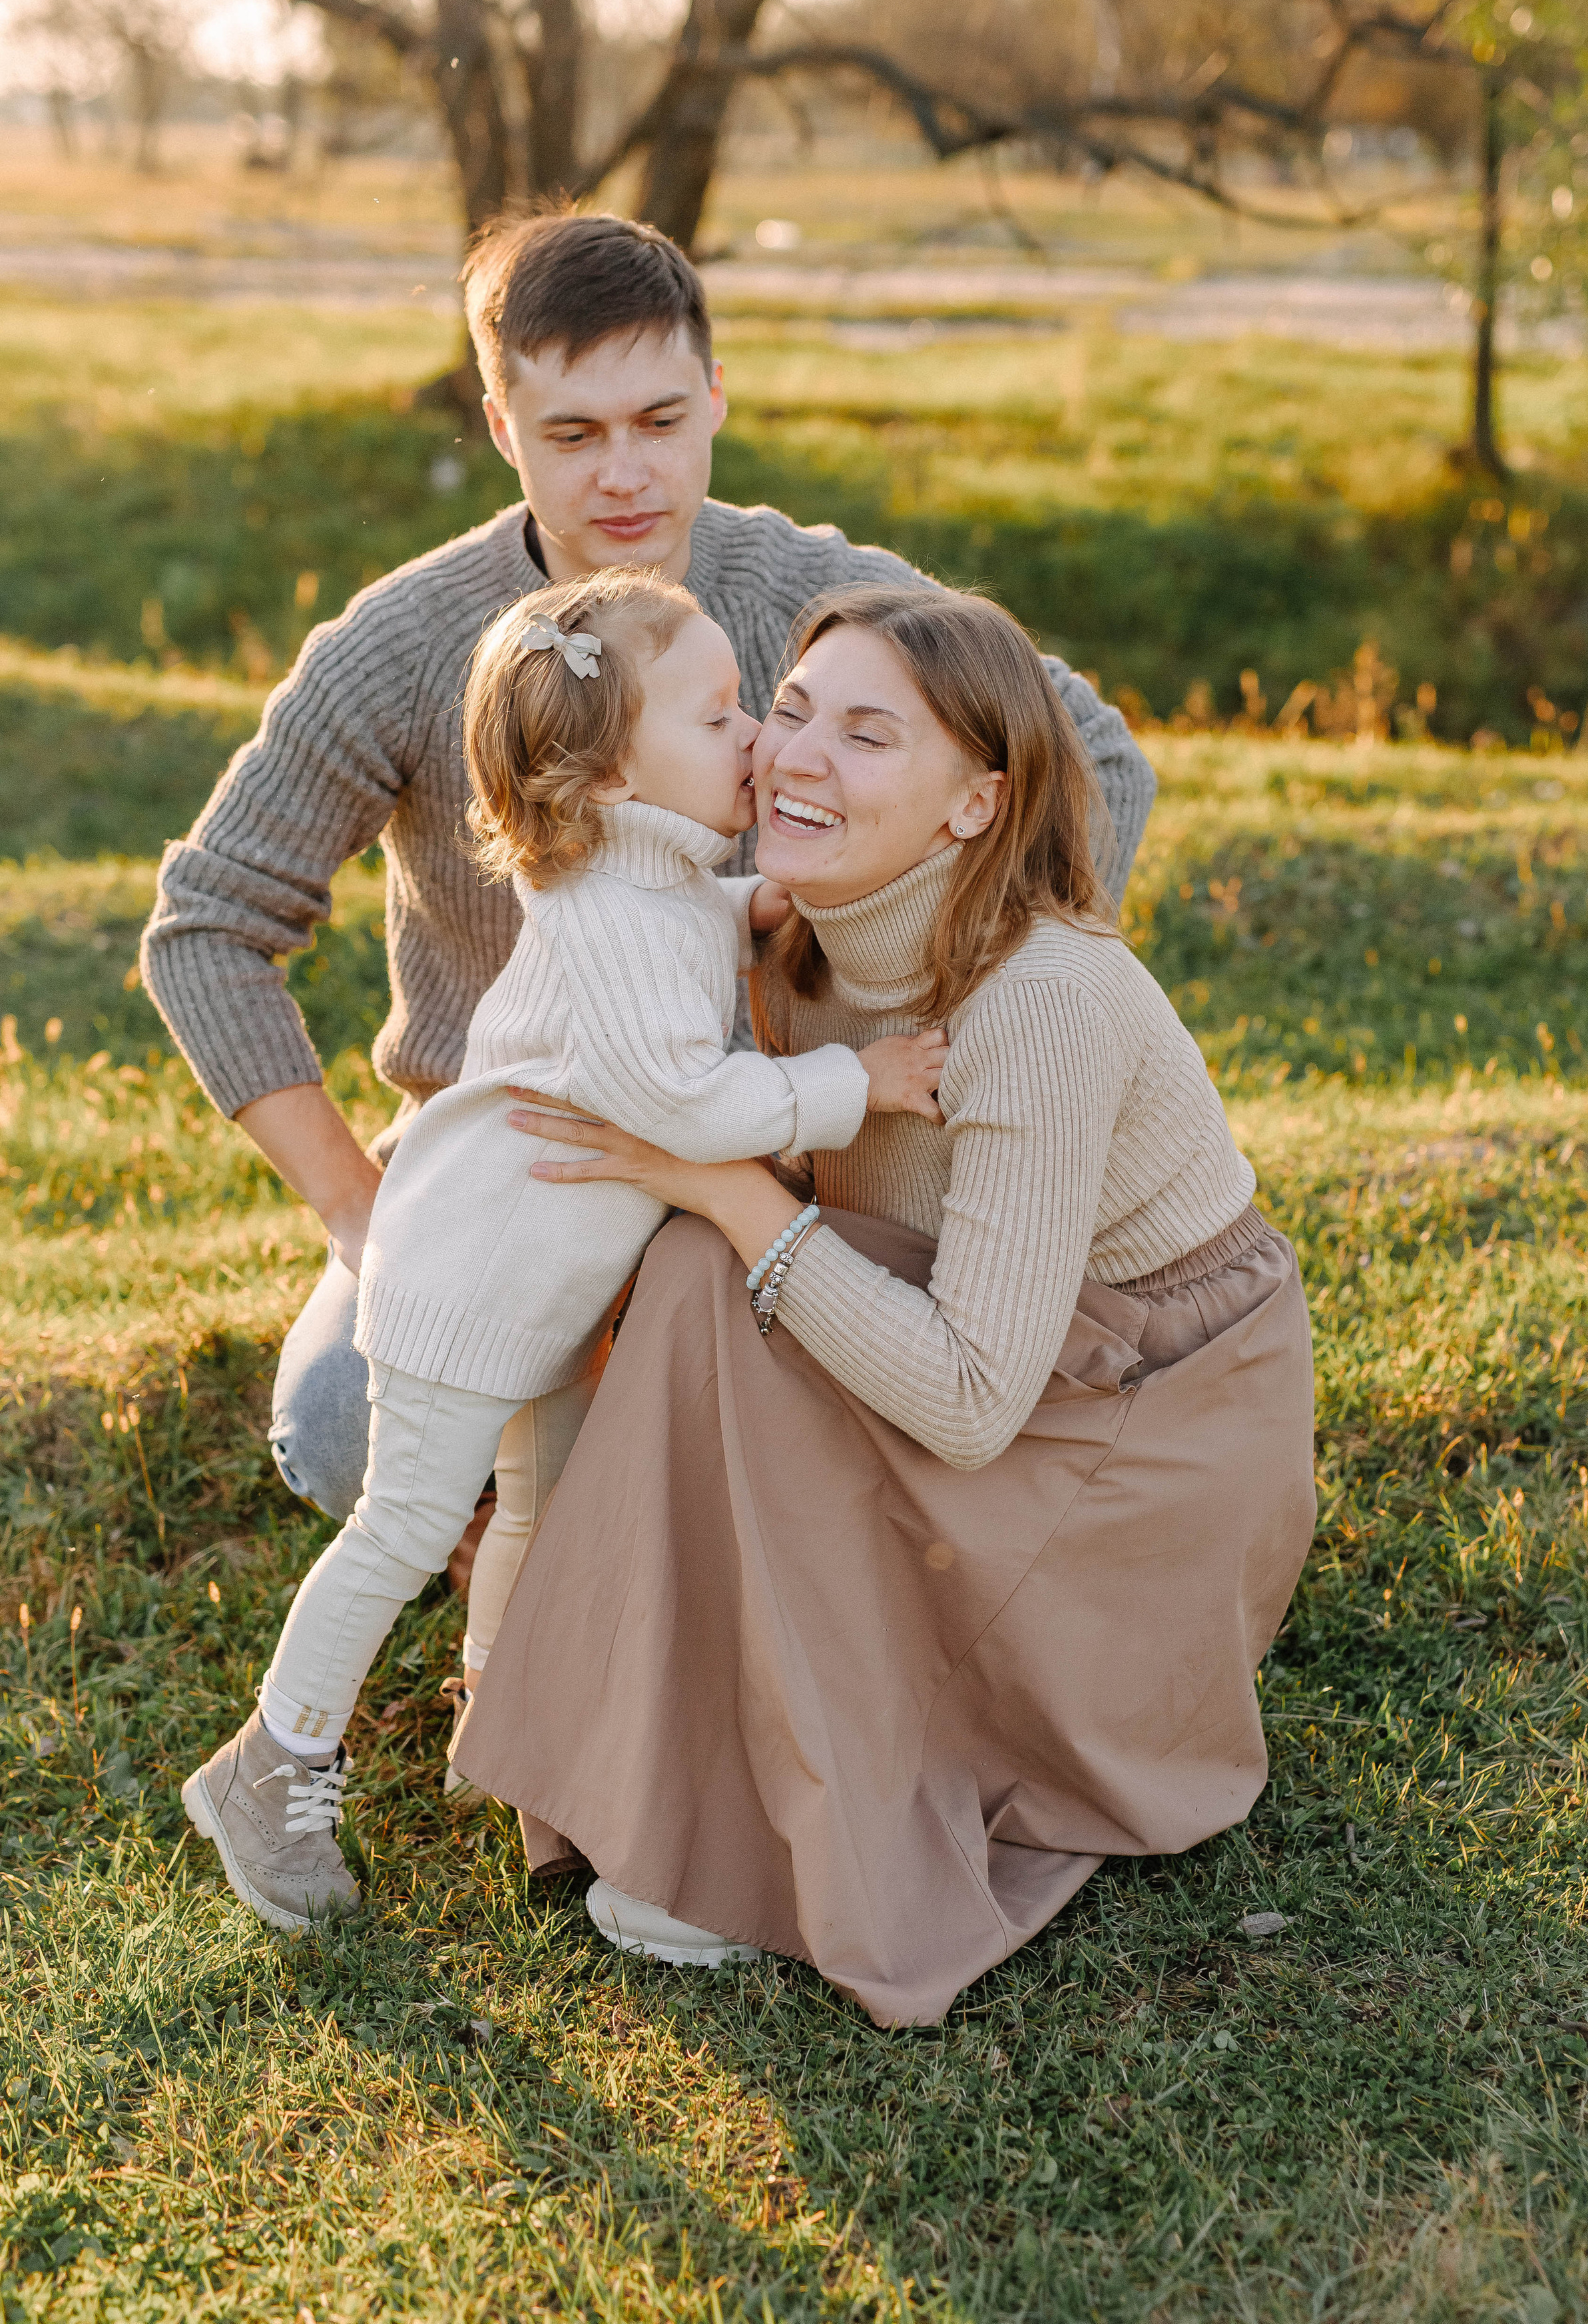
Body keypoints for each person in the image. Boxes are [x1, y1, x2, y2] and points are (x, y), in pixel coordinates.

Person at [140, 208, 1157, 1538]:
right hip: (520, 1157)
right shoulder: (396, 646)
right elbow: (206, 924)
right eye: (572, 434)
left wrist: (969, 1004)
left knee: (841, 1423)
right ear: (501, 425)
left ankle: (637, 1541)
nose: (625, 473)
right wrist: (357, 1206)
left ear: (716, 396)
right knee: (339, 1437)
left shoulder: (818, 589)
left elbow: (1088, 758)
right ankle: (531, 1561)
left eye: (661, 420)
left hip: (798, 1138)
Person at [455, 581, 1318, 2028]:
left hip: (1132, 1430)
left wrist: (734, 1193)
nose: (795, 759)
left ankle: (780, 1811)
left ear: (976, 806)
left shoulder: (1039, 1000)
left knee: (713, 1253)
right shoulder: (800, 946)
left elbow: (973, 1403)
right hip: (994, 1354)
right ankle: (667, 1757)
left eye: (866, 738)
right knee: (693, 1276)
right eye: (787, 713)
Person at [179, 565, 951, 1932]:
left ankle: (508, 1725)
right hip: (467, 1290)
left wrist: (748, 915)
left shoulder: (643, 879)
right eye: (719, 720)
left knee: (539, 1505)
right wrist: (861, 1085)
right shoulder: (605, 919)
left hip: (540, 1294)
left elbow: (679, 923)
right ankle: (274, 1760)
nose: (755, 744)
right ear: (605, 784)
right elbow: (681, 1102)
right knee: (405, 1530)